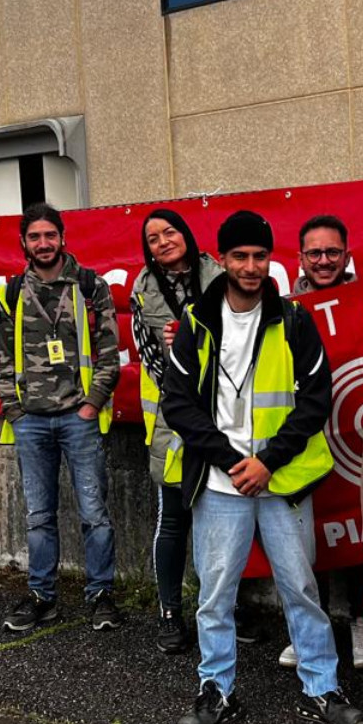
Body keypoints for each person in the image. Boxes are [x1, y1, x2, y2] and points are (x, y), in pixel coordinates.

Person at [160, 210, 363, 724]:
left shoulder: (294, 319)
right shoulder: (196, 322)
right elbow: (177, 403)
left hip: (282, 480)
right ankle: (216, 691)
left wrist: (267, 462)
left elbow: (316, 400)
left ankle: (323, 687)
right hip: (221, 482)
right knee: (215, 595)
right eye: (240, 256)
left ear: (272, 259)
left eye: (260, 256)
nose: (251, 267)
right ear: (221, 259)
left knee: (301, 587)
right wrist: (232, 461)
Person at [0, 202, 122, 635]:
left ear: (62, 238)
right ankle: (42, 597)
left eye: (50, 235)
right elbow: (1, 359)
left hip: (78, 418)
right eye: (35, 237)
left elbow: (109, 352)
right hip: (31, 421)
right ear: (24, 243)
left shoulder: (89, 286)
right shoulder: (11, 293)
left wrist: (92, 404)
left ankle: (101, 595)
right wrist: (13, 409)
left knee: (94, 513)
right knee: (38, 516)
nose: (43, 243)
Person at [277, 215, 363, 672]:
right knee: (308, 538)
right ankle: (308, 626)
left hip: (359, 433)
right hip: (304, 439)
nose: (324, 261)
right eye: (315, 253)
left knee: (359, 527)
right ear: (300, 258)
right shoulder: (282, 309)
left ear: (347, 255)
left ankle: (362, 621)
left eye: (332, 252)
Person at [130, 209, 224, 654]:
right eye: (153, 238)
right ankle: (170, 612)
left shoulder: (219, 276)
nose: (163, 241)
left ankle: (225, 610)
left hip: (224, 413)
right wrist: (180, 359)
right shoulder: (143, 290)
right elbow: (147, 354)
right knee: (173, 520)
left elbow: (240, 338)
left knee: (224, 522)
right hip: (172, 421)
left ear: (185, 234)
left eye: (169, 232)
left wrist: (195, 340)